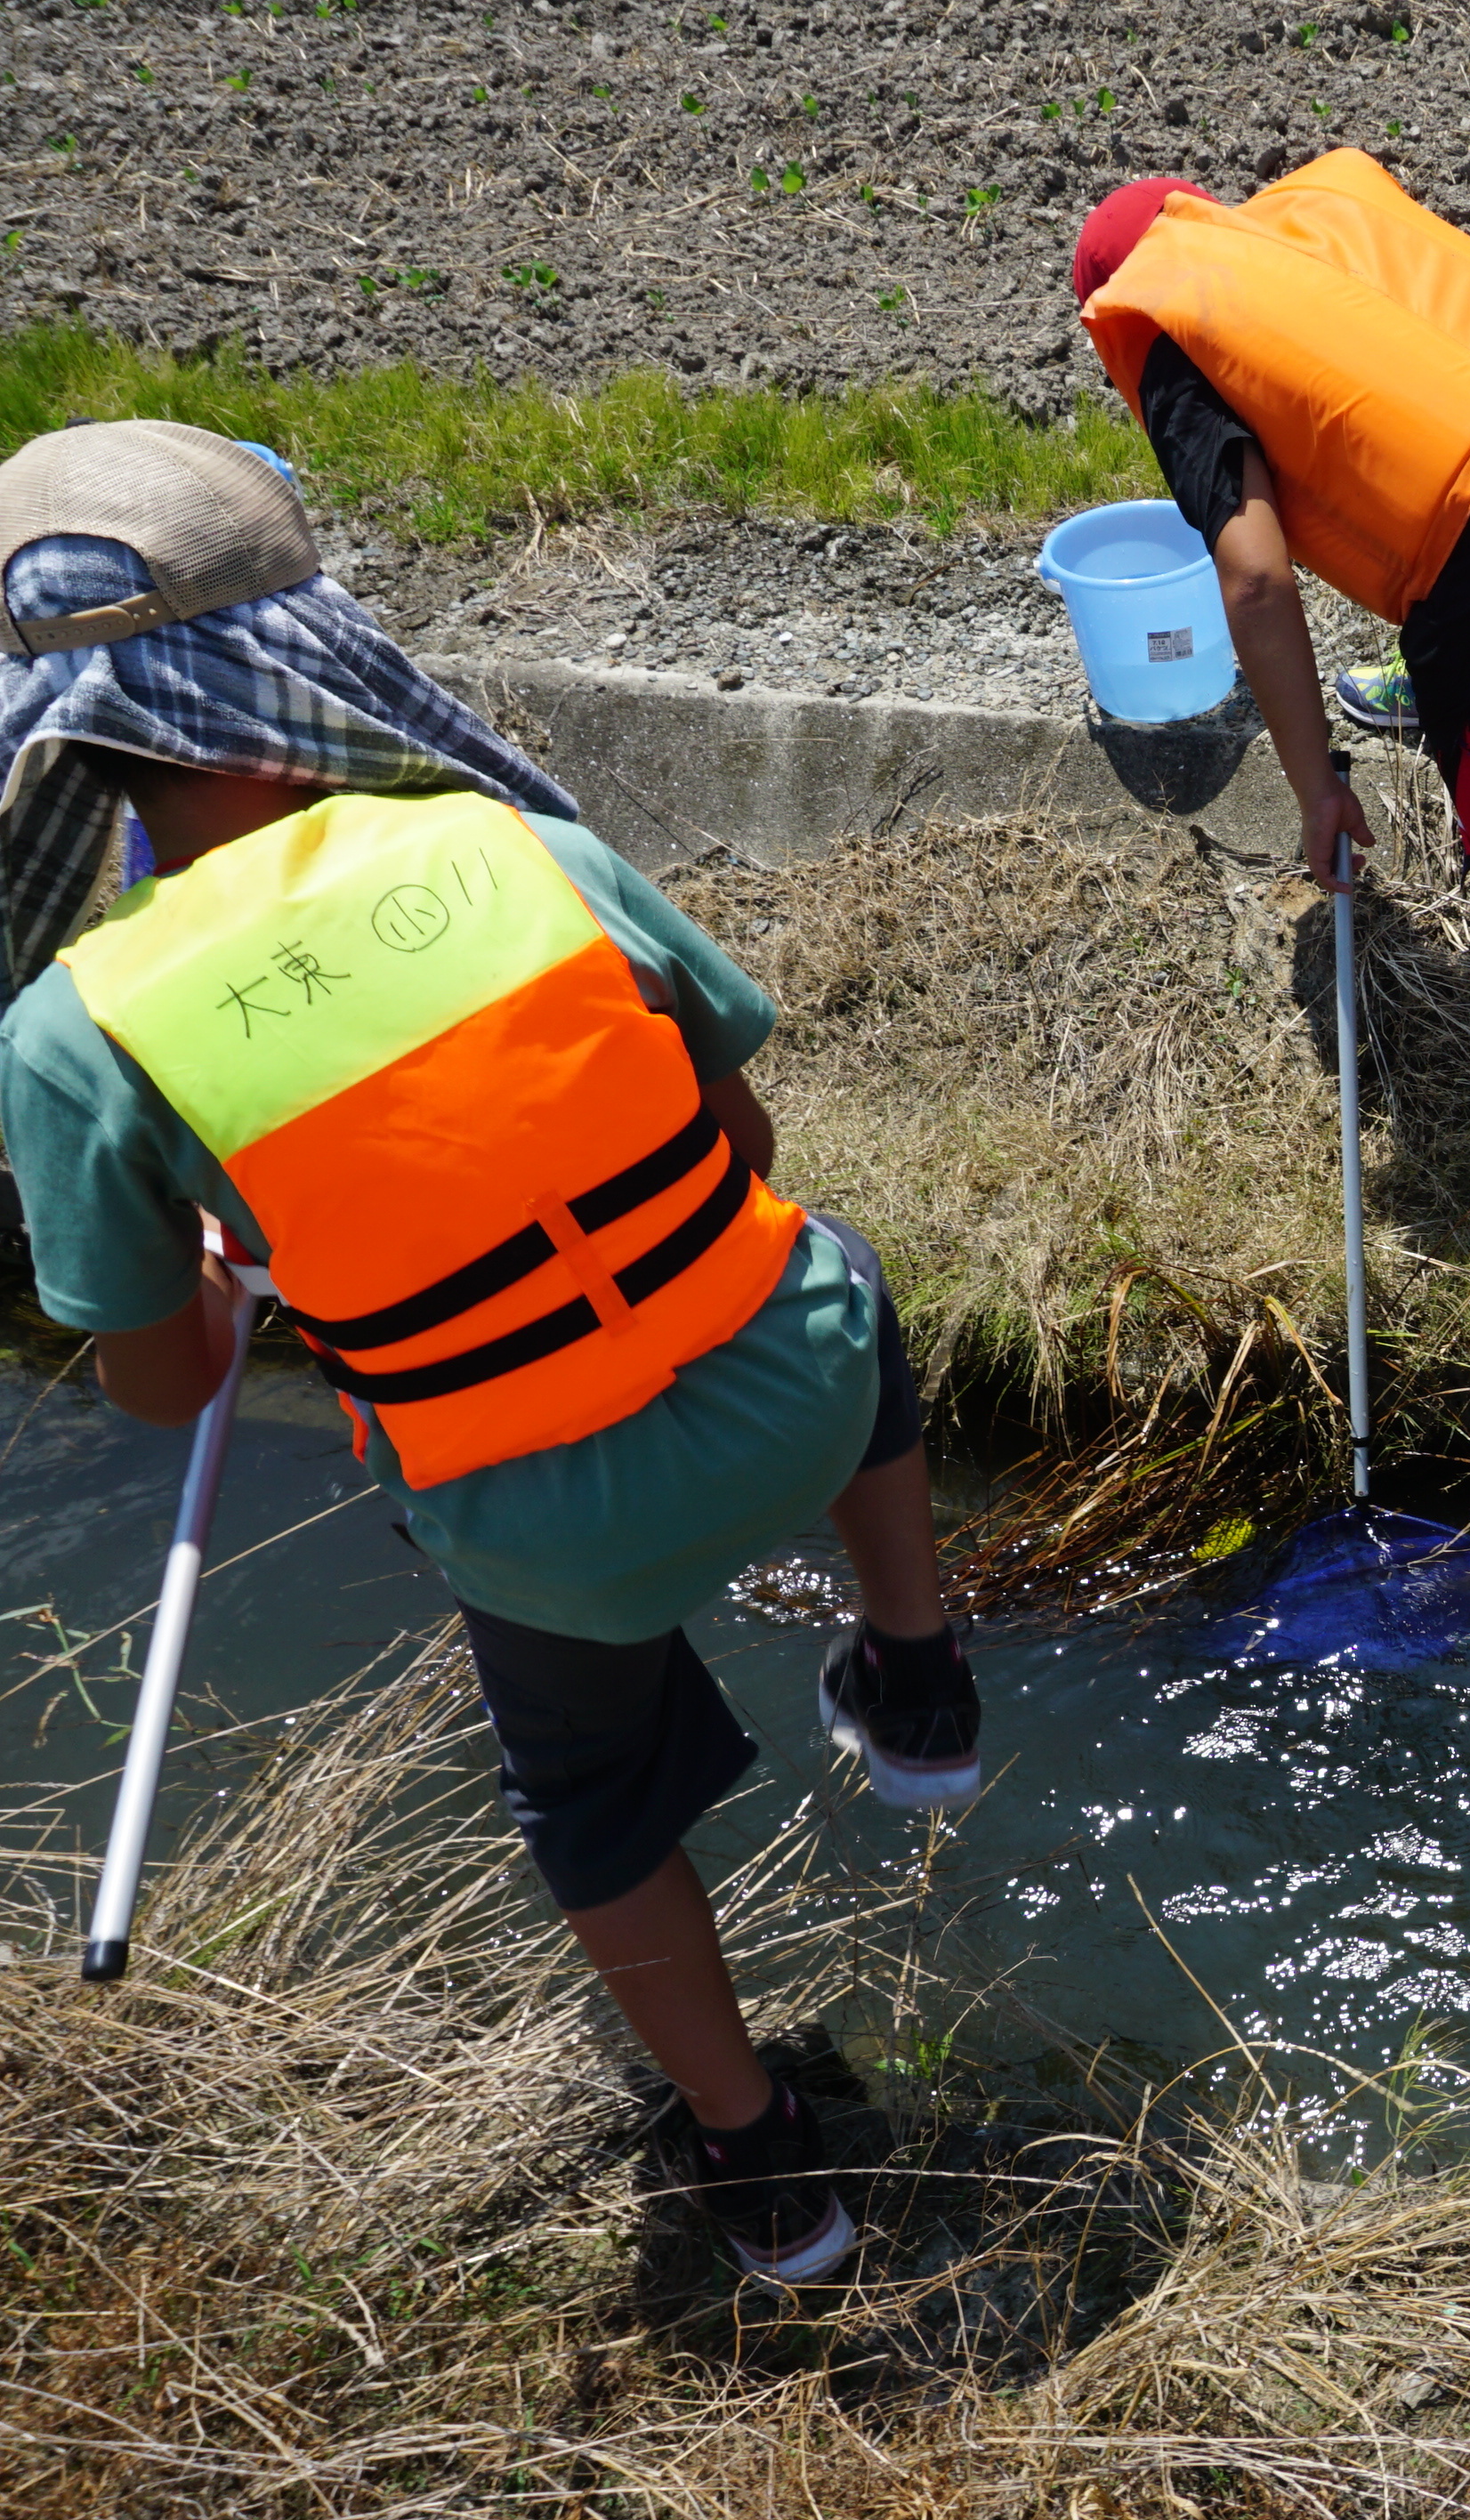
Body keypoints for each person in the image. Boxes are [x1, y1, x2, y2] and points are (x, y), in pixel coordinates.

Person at [0, 422, 980, 2286]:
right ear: (309, 660)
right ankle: (918, 1681)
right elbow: (743, 1155)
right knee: (831, 1271)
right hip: (802, 1393)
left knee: (587, 1809)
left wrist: (243, 1266)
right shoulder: (507, 846)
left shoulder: (73, 1034)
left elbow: (168, 1380)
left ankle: (767, 2175)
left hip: (550, 1536)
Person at [1069, 152, 1470, 1277]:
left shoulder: (1171, 330)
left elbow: (1257, 579)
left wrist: (1316, 781)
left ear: (1106, 305)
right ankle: (1448, 697)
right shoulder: (1299, 223)